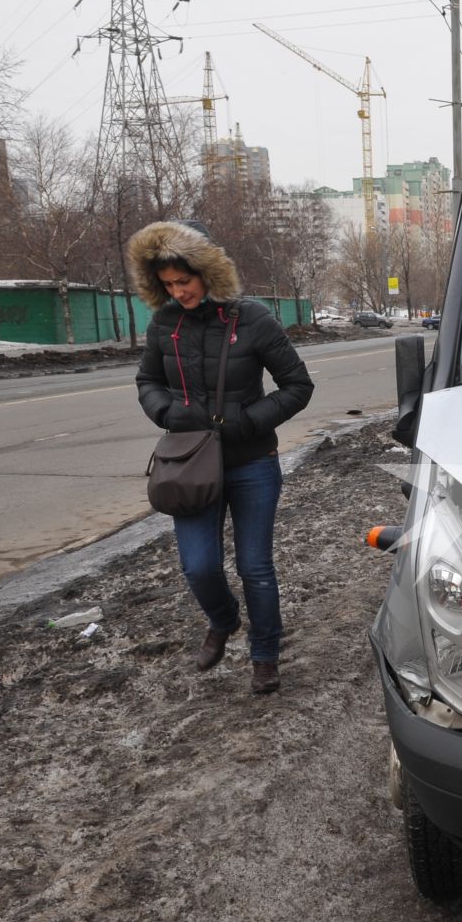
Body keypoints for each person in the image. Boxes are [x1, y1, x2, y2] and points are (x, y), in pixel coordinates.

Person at [131, 220, 314, 693]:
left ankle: (265, 655)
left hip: (252, 462)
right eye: (167, 285)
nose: (178, 292)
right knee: (198, 566)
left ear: (206, 272)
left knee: (255, 566)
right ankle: (224, 619)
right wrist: (168, 412)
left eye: (184, 281)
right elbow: (146, 382)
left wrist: (248, 420)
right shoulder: (164, 324)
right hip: (190, 464)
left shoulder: (251, 319)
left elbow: (298, 386)